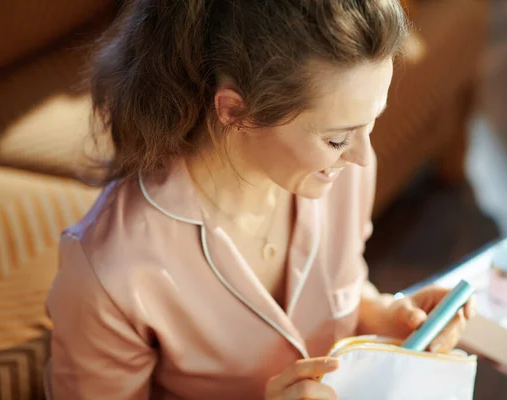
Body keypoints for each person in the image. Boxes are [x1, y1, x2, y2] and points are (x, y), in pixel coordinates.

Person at [45, 1, 476, 399]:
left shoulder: (336, 173)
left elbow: (336, 290)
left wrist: (384, 314)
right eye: (338, 137)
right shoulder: (110, 271)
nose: (363, 156)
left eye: (370, 123)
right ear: (235, 111)